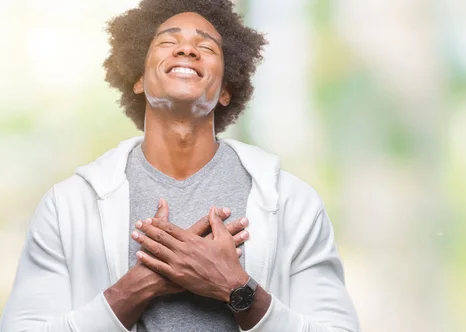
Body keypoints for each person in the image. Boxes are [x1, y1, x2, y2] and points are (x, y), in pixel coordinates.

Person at [0, 0, 359, 331]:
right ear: (138, 79)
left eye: (206, 47)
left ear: (225, 90)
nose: (186, 49)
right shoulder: (68, 206)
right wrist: (136, 288)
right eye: (167, 42)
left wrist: (236, 288)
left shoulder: (293, 204)